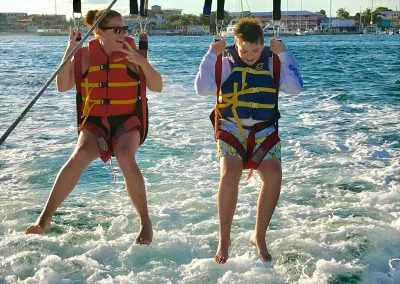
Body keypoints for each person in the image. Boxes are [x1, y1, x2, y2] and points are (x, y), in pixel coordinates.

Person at [26, 9, 162, 245]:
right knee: (79, 155)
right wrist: (69, 50)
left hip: (127, 120)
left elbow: (157, 86)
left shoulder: (132, 53)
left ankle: (145, 221)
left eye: (124, 28)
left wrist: (142, 61)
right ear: (99, 32)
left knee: (124, 154)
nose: (123, 33)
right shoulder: (85, 55)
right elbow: (63, 86)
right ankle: (44, 218)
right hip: (95, 122)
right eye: (117, 29)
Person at [195, 17, 302, 263]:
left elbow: (295, 88)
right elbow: (202, 89)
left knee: (274, 174)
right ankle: (224, 238)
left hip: (265, 132)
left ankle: (259, 235)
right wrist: (211, 54)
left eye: (255, 50)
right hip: (231, 129)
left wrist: (284, 54)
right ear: (236, 43)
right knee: (230, 172)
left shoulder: (273, 61)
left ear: (263, 44)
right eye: (244, 50)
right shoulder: (224, 61)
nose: (250, 55)